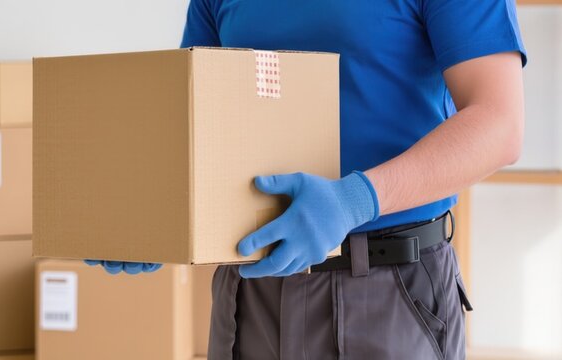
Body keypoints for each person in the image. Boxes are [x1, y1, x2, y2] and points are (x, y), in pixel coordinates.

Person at [87, 0, 527, 358]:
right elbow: (196, 114)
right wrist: (155, 217)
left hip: (389, 287)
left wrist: (354, 200)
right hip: (251, 289)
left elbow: (499, 124)